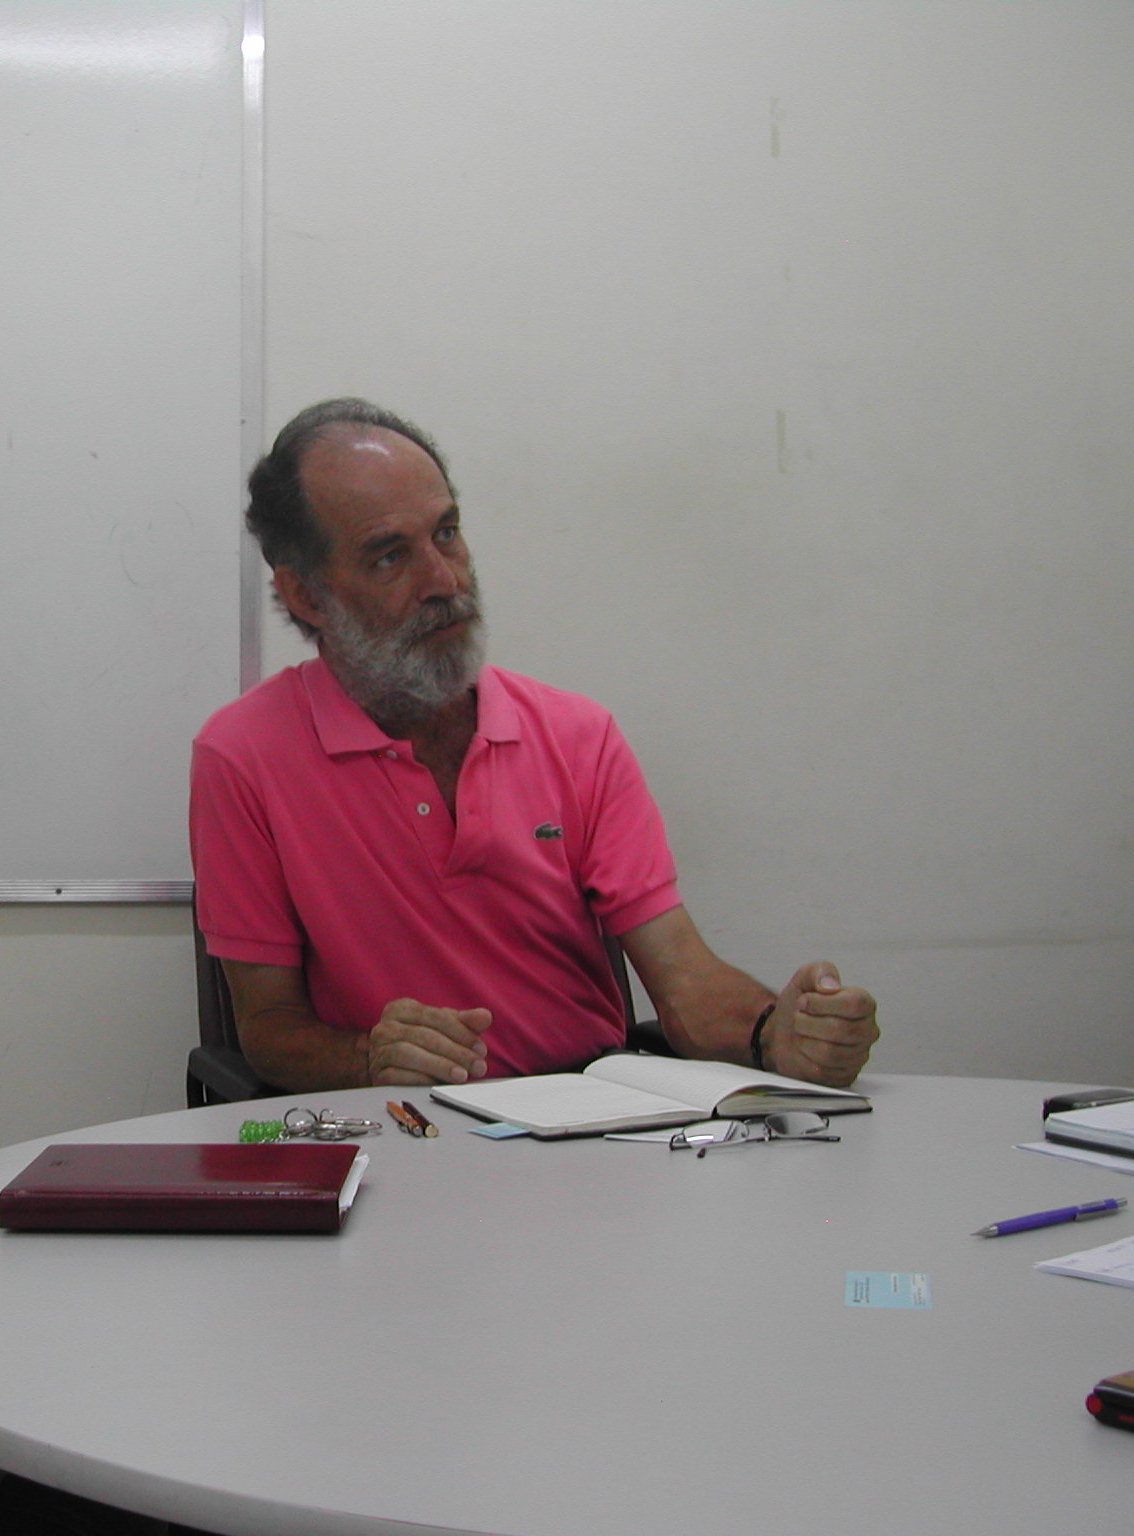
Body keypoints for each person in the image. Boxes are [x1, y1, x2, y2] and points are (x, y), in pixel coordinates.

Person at [190, 399, 878, 1092]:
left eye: (447, 533)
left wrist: (774, 1035)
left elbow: (686, 986)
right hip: (404, 1124)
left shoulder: (577, 736)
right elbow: (268, 1027)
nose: (445, 581)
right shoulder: (243, 757)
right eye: (390, 555)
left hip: (594, 1115)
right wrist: (367, 1057)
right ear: (306, 595)